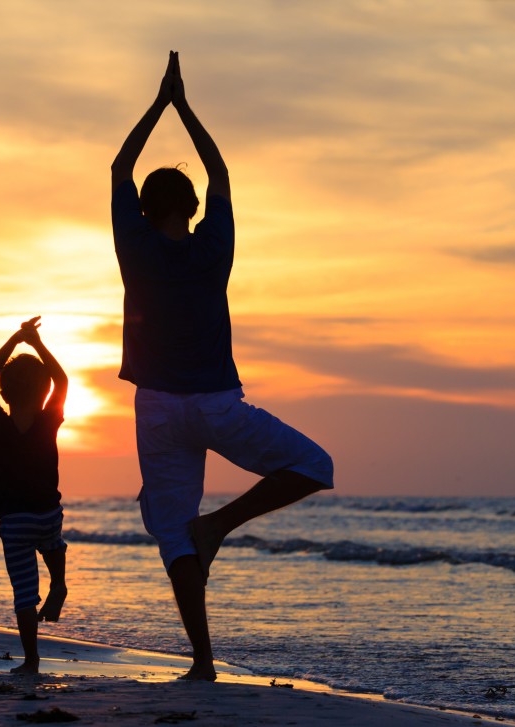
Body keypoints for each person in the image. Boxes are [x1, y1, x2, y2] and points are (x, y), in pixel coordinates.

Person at [110, 51, 335, 681]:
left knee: (173, 536)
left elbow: (119, 167)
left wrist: (158, 104)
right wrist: (186, 105)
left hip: (156, 408)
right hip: (214, 403)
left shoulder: (134, 244)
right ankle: (222, 527)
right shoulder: (214, 243)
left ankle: (203, 660)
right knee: (315, 466)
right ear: (190, 206)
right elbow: (221, 172)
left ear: (147, 209)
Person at [0, 316, 69, 675]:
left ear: (4, 394)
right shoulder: (50, 418)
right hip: (48, 510)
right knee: (54, 544)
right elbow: (62, 379)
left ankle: (31, 661)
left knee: (24, 594)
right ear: (44, 389)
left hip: (15, 520)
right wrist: (36, 344)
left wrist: (16, 339)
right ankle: (59, 584)